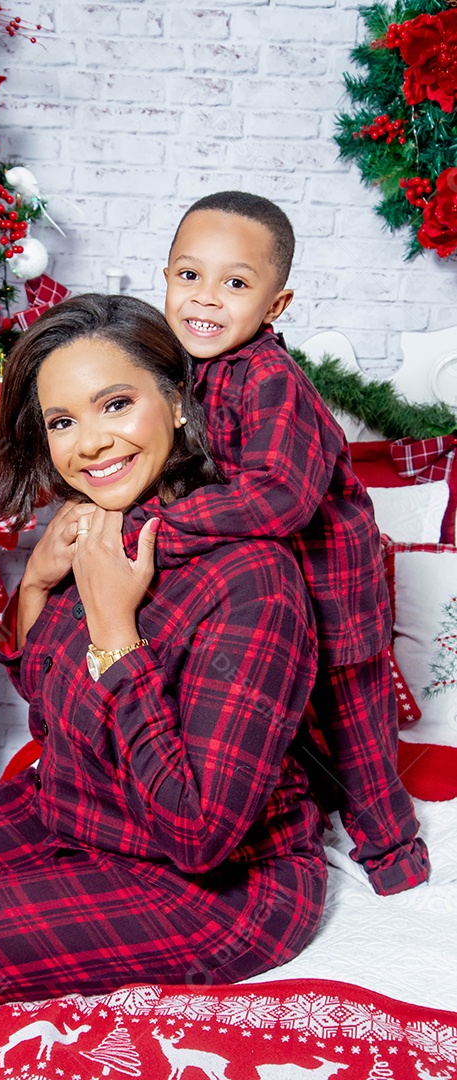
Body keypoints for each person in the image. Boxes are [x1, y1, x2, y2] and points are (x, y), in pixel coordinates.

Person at [0, 294, 327, 1080]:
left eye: (116, 403)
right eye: (62, 421)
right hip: (80, 806)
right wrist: (38, 586)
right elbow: (52, 707)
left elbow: (199, 836)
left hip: (218, 889)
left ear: (176, 403)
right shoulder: (104, 525)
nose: (91, 442)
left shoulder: (251, 577)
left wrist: (116, 634)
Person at [160, 190, 429, 895]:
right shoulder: (184, 371)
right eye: (189, 276)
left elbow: (280, 494)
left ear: (274, 306)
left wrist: (163, 527)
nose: (205, 299)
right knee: (272, 720)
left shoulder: (270, 380)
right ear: (164, 278)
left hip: (330, 589)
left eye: (235, 283)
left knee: (356, 729)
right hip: (262, 600)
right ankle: (308, 807)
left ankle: (393, 854)